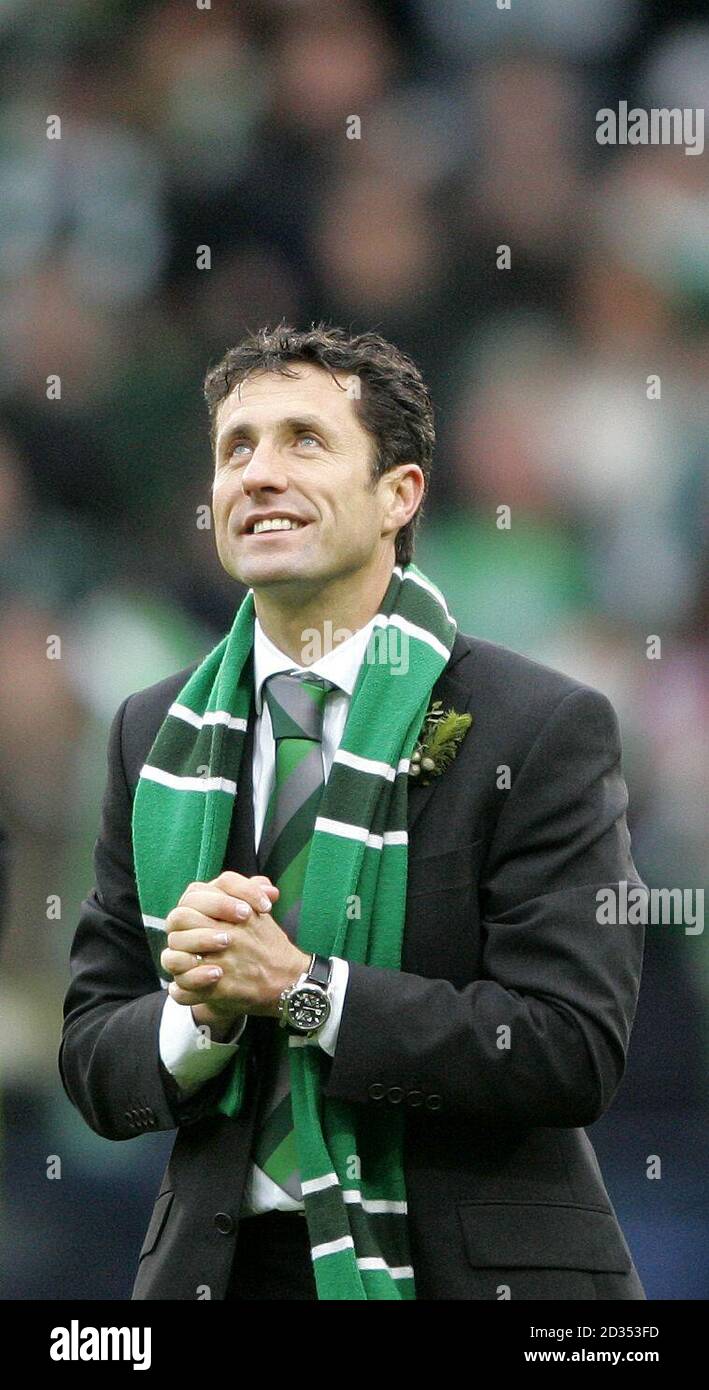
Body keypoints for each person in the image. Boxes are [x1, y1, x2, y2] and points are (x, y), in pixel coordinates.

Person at [59, 323, 646, 1301]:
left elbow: (568, 1045)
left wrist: (304, 989)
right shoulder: (152, 731)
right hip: (221, 1272)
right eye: (235, 448)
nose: (257, 473)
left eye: (304, 440)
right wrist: (195, 1014)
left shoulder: (535, 724)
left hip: (461, 1275)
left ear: (398, 495)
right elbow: (92, 1047)